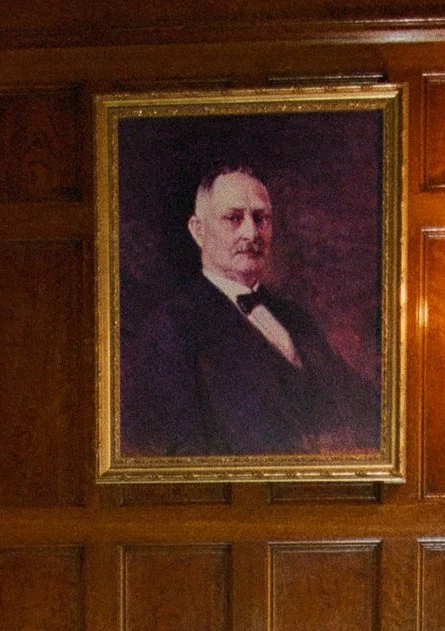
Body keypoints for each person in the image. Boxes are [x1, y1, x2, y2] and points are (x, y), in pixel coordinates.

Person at [122, 163, 380, 457]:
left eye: (261, 219)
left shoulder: (298, 320)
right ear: (198, 231)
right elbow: (185, 451)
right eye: (233, 218)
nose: (251, 232)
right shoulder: (172, 327)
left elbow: (363, 410)